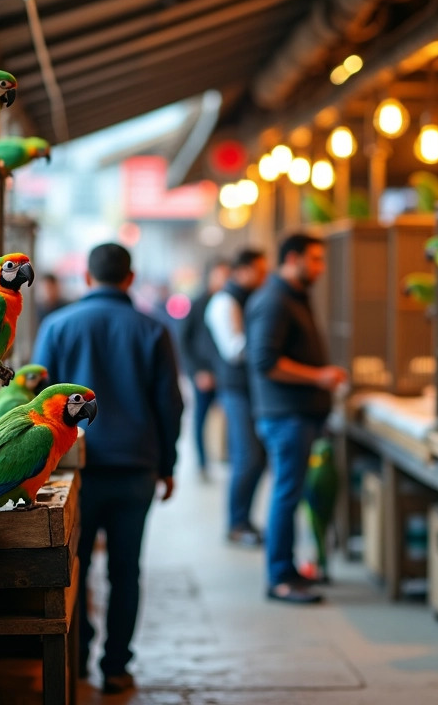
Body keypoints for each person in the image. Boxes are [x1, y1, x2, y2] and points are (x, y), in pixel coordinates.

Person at [32, 243, 183, 695]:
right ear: (130, 278)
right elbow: (170, 406)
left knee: (72, 567)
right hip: (135, 467)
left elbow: (37, 403)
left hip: (76, 469)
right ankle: (116, 666)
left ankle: (75, 658)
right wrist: (168, 464)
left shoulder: (58, 326)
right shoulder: (153, 329)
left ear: (88, 277)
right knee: (125, 570)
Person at [245, 233, 347, 604]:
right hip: (285, 417)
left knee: (290, 494)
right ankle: (280, 577)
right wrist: (317, 376)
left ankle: (289, 570)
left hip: (299, 416)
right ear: (292, 258)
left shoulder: (293, 296)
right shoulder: (274, 300)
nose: (320, 268)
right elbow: (264, 361)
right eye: (315, 260)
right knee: (286, 496)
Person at [205, 248, 269, 547]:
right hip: (236, 389)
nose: (264, 276)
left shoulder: (245, 299)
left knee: (254, 457)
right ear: (241, 271)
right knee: (247, 457)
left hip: (249, 389)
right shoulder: (225, 302)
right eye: (260, 270)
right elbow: (234, 348)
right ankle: (237, 522)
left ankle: (243, 520)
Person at [178, 260, 230, 479]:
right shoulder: (198, 303)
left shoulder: (230, 301)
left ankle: (227, 457)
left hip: (226, 373)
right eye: (221, 275)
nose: (225, 280)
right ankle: (202, 463)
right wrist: (197, 371)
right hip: (204, 374)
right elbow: (184, 340)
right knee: (201, 418)